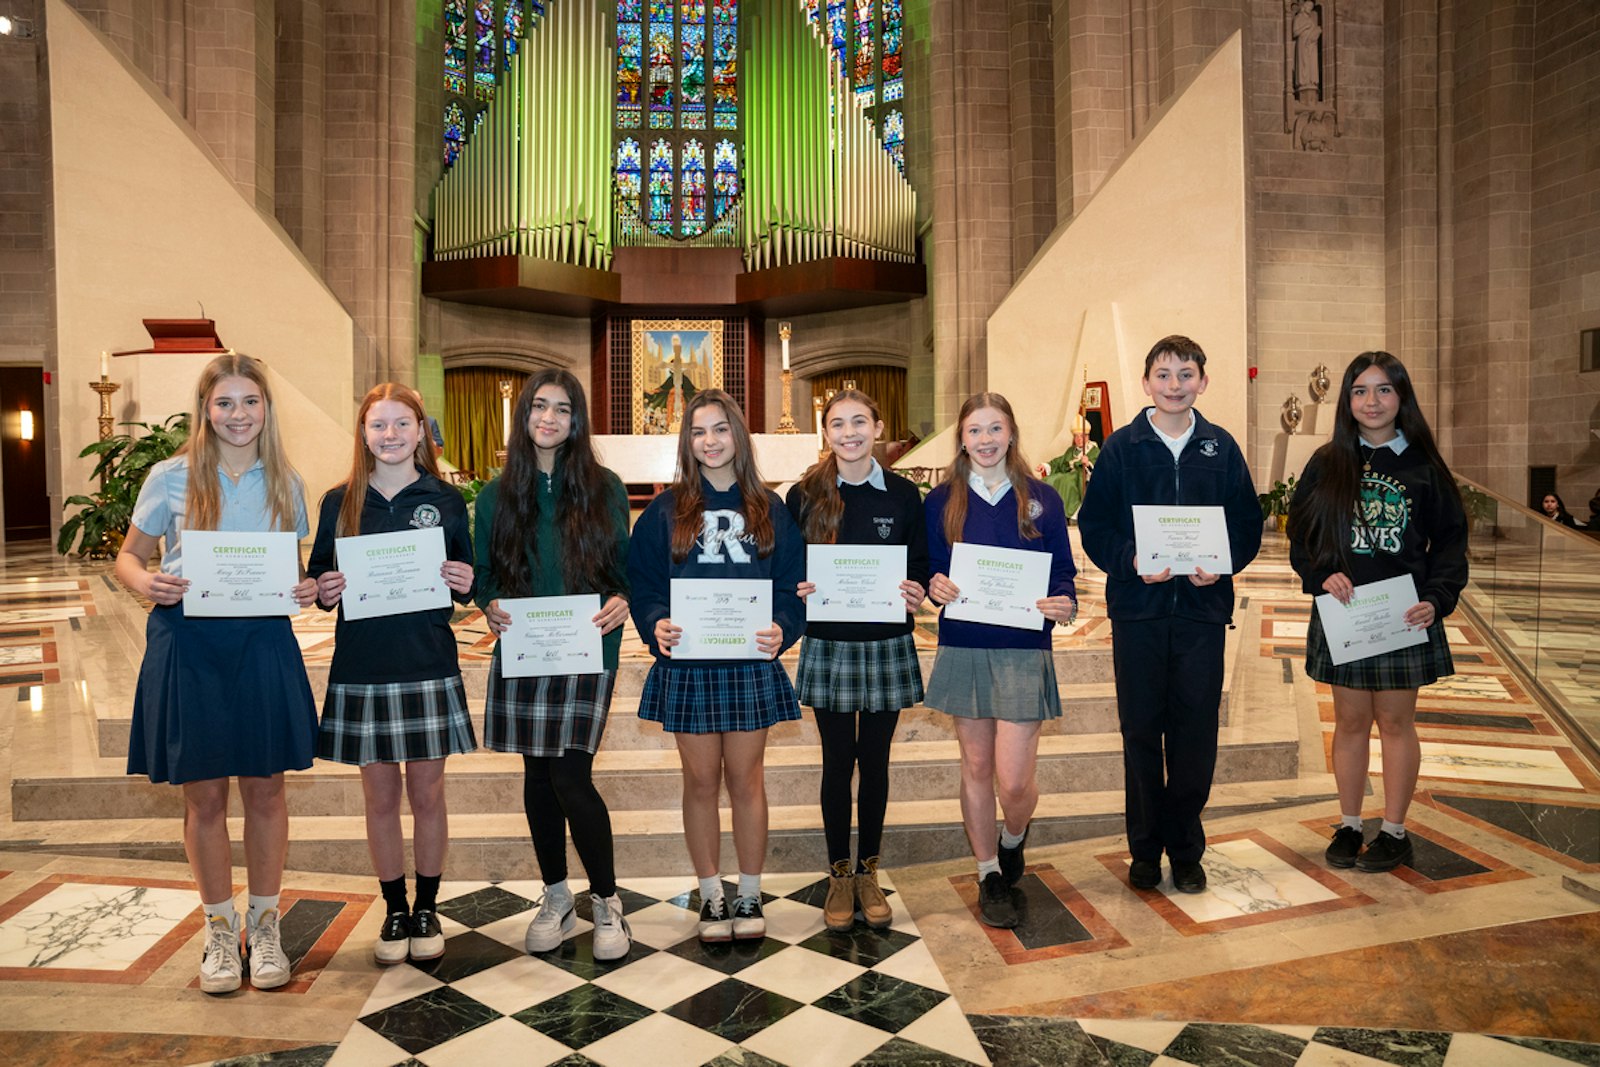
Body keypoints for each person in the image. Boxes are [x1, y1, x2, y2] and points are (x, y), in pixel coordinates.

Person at [117, 353, 320, 994]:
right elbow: (129, 557)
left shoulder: (287, 484)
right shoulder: (169, 477)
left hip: (262, 644)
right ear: (206, 407)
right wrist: (147, 581)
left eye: (250, 402)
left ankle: (264, 926)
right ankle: (217, 932)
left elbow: (289, 571)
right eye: (225, 402)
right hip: (188, 644)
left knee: (265, 790)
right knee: (203, 796)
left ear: (267, 408)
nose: (239, 415)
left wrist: (306, 588)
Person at [1078, 335, 1262, 895]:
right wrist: (1131, 562)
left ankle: (1185, 847)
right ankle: (1144, 849)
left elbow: (1247, 524)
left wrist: (1222, 564)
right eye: (1164, 374)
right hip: (1138, 613)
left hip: (1202, 613)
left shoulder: (1221, 448)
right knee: (1139, 732)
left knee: (1194, 733)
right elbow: (1095, 526)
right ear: (1146, 382)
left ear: (1203, 382)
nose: (1175, 384)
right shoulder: (1122, 448)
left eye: (1186, 374)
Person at [308, 383, 477, 966]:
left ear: (421, 430)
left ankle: (427, 906)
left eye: (401, 423)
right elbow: (319, 580)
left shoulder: (445, 499)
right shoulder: (339, 500)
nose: (390, 435)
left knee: (428, 795)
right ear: (362, 433)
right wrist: (324, 589)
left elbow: (468, 574)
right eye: (378, 425)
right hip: (362, 664)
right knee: (379, 798)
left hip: (427, 659)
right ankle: (394, 908)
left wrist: (465, 580)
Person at [628, 389, 805, 942]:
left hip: (749, 662)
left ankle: (749, 894)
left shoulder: (770, 509)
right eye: (700, 431)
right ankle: (710, 894)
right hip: (689, 666)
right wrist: (656, 622)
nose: (711, 441)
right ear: (688, 441)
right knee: (701, 781)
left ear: (739, 437)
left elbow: (792, 586)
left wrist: (783, 626)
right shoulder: (664, 510)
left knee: (747, 780)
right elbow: (646, 587)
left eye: (721, 429)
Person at [475, 370, 634, 961]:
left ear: (576, 420)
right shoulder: (495, 495)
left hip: (588, 646)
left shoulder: (605, 486)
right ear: (524, 416)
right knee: (537, 778)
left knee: (570, 774)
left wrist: (624, 599)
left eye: (562, 409)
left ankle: (607, 901)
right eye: (539, 407)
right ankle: (556, 894)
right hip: (524, 647)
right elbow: (485, 577)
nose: (549, 418)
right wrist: (488, 604)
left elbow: (625, 570)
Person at [1288, 351, 1467, 873]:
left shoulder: (1422, 465)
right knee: (1348, 721)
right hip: (1344, 611)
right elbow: (1301, 534)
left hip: (1399, 615)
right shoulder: (1327, 462)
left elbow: (1451, 541)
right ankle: (1348, 823)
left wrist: (1436, 598)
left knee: (1394, 721)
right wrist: (1321, 574)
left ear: (1401, 397)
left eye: (1384, 389)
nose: (1372, 401)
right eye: (1361, 391)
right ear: (1347, 400)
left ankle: (1393, 830)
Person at [923, 393, 1077, 929]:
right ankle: (989, 871)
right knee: (976, 767)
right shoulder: (942, 501)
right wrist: (933, 585)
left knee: (1013, 781)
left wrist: (1064, 602)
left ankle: (1014, 837)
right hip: (964, 645)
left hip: (1023, 648)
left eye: (995, 429)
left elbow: (1063, 572)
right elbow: (929, 570)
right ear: (961, 438)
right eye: (974, 430)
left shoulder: (1042, 499)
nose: (985, 440)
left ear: (1011, 433)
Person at [786, 389, 929, 931]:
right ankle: (838, 874)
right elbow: (787, 565)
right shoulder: (803, 495)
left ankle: (870, 869)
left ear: (878, 427)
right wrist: (796, 588)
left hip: (887, 642)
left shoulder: (902, 495)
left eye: (859, 422)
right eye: (838, 424)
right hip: (829, 642)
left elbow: (919, 561)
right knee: (836, 761)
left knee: (876, 762)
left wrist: (916, 590)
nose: (849, 433)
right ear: (826, 433)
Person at [1039, 415, 1099, 518]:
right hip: (1068, 475)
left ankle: (1066, 513)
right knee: (1048, 480)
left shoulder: (1094, 451)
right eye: (1076, 436)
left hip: (1080, 478)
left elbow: (1097, 468)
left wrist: (1087, 463)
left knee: (1065, 482)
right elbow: (1059, 462)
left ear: (1087, 436)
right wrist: (1045, 465)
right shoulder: (1071, 450)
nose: (1079, 439)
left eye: (1082, 436)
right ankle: (1049, 511)